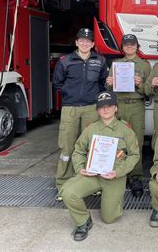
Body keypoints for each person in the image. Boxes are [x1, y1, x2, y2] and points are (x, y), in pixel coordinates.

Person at [61, 91, 140, 241]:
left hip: (114, 177)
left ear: (116, 108)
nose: (105, 110)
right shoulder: (90, 129)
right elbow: (78, 151)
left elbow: (134, 155)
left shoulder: (125, 130)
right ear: (97, 110)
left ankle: (115, 198)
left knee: (110, 218)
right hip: (93, 175)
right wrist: (80, 168)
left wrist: (118, 172)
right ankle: (83, 221)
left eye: (109, 106)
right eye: (101, 107)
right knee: (67, 192)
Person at [52, 28, 108, 197]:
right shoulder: (65, 61)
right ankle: (63, 184)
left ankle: (91, 184)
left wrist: (94, 97)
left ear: (92, 44)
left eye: (88, 41)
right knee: (67, 146)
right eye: (81, 40)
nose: (85, 43)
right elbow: (57, 83)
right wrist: (70, 95)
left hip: (91, 108)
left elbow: (102, 83)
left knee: (91, 147)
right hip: (70, 108)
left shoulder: (100, 60)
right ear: (76, 42)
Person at [105, 34, 151, 197]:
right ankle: (118, 173)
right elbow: (109, 88)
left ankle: (136, 177)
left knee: (135, 142)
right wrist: (108, 84)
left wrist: (140, 84)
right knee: (116, 141)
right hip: (119, 106)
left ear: (137, 47)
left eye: (132, 45)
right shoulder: (116, 64)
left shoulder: (144, 66)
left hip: (136, 106)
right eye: (126, 45)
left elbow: (149, 91)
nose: (129, 47)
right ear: (122, 47)